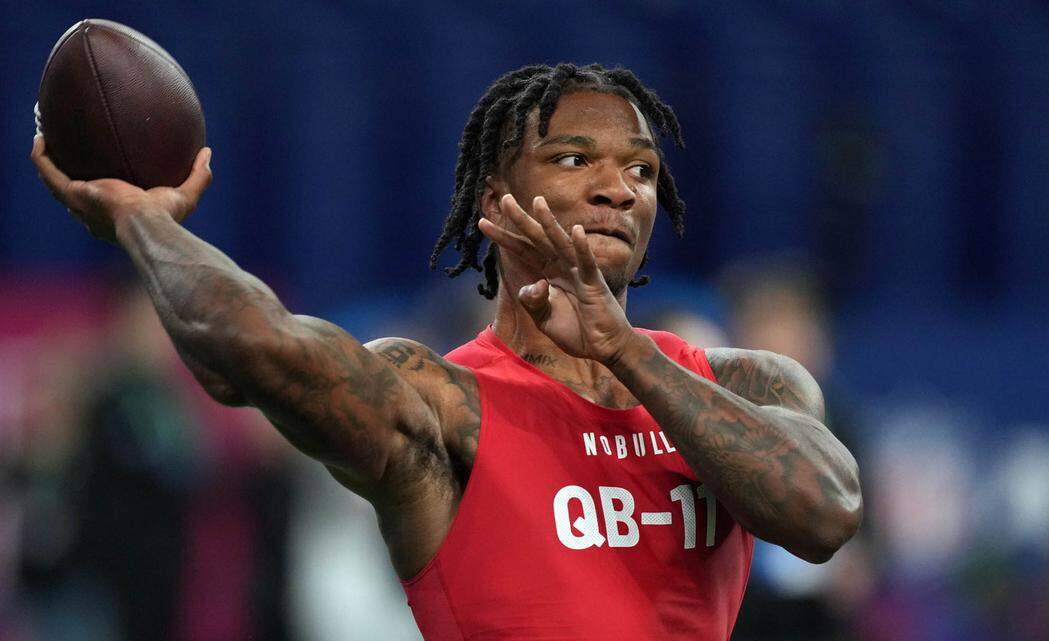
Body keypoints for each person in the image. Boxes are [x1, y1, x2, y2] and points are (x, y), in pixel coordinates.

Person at [31, 63, 862, 640]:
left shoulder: (744, 379)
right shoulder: (440, 402)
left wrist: (623, 352)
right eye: (575, 159)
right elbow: (247, 348)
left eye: (641, 170)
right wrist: (144, 220)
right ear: (495, 199)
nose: (618, 187)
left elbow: (825, 512)